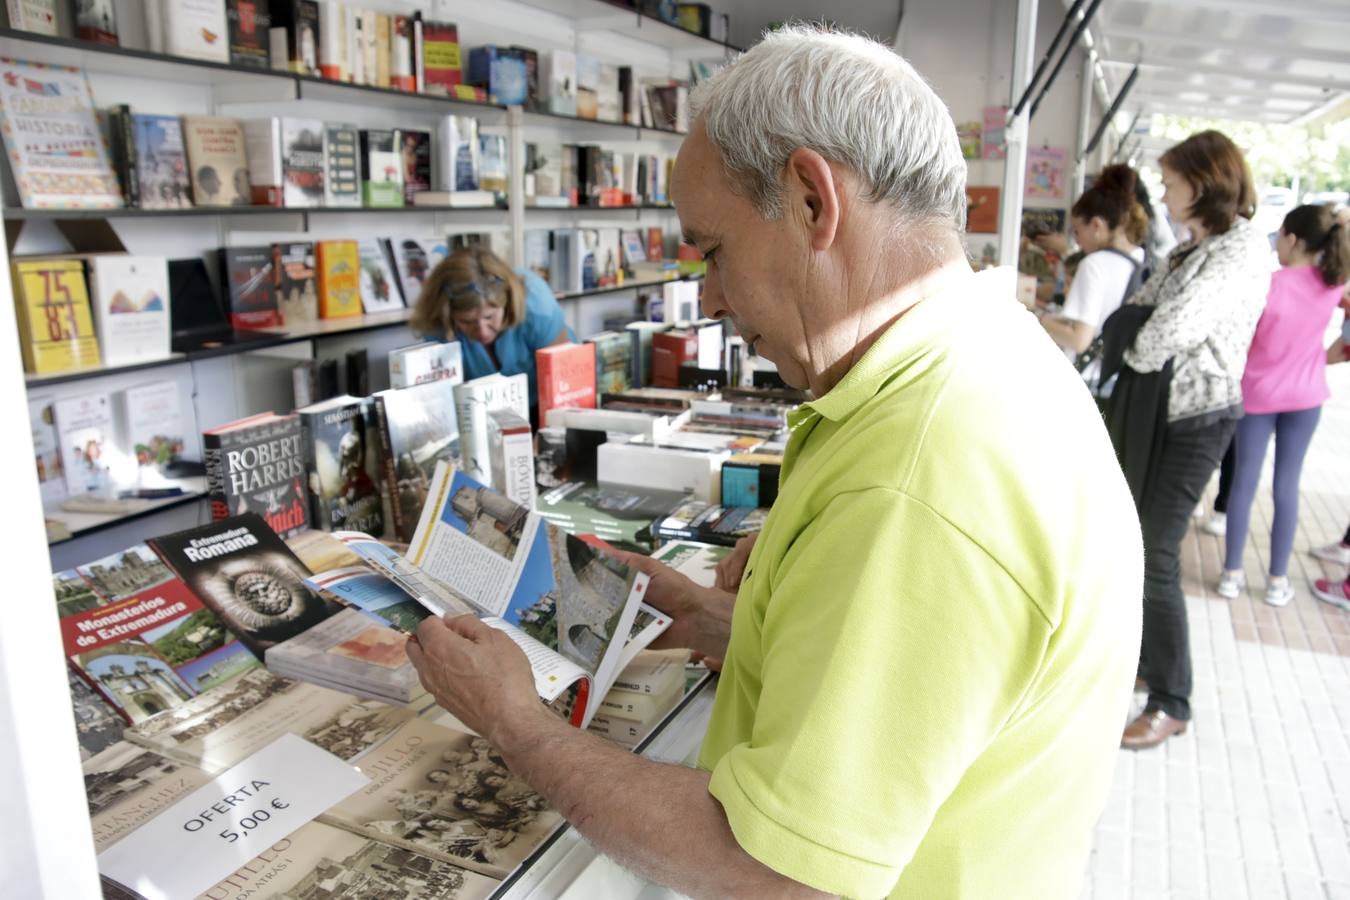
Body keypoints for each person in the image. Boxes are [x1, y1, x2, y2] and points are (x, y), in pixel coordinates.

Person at [406, 26, 1142, 897]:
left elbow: (774, 873)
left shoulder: (915, 478)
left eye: (714, 251)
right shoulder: (984, 354)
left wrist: (514, 722)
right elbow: (930, 694)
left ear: (811, 199)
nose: (710, 298)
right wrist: (725, 622)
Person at [1116, 130, 1271, 750]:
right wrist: (1139, 335)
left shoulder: (1241, 248)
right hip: (1162, 414)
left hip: (1199, 419)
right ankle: (1148, 662)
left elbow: (1170, 326)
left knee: (1156, 549)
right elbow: (1142, 303)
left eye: (1172, 183)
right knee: (1137, 542)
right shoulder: (1193, 247)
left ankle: (1172, 700)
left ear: (1204, 184)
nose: (1163, 193)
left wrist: (1134, 350)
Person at [1215, 204, 1350, 606]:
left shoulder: (1269, 284)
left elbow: (1242, 338)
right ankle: (1277, 581)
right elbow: (1345, 340)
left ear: (1292, 239)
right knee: (1287, 486)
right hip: (1306, 398)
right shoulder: (1333, 285)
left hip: (1258, 395)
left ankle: (1231, 575)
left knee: (1244, 482)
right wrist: (1322, 358)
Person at [409, 245, 572, 414]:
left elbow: (563, 381)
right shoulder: (437, 322)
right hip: (484, 411)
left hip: (548, 400)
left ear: (507, 302)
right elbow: (442, 399)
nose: (482, 331)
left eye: (489, 317)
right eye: (466, 321)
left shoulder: (535, 303)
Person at [1037, 164, 1148, 359]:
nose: (1077, 240)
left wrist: (1039, 320)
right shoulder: (1141, 258)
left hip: (1088, 372)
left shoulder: (1094, 265)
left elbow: (1079, 340)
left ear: (1096, 225)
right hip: (1115, 368)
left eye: (1077, 231)